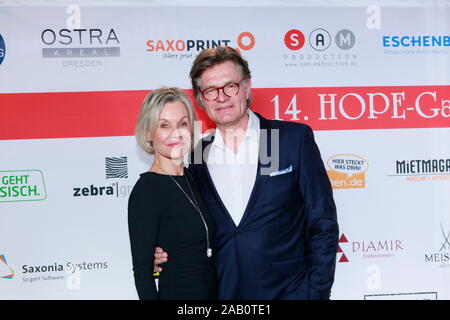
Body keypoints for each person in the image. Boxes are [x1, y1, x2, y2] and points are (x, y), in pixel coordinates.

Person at [154, 46, 339, 300]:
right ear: (200, 98)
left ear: (247, 86)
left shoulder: (287, 140)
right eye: (211, 90)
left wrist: (316, 292)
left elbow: (323, 222)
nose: (222, 97)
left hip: (290, 293)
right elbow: (196, 229)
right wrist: (163, 252)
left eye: (230, 85)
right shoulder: (197, 154)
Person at [128, 87, 216, 300]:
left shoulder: (196, 177)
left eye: (183, 124)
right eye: (164, 125)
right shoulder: (147, 190)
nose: (176, 133)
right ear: (149, 132)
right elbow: (143, 274)